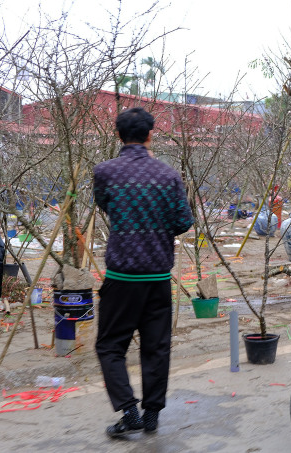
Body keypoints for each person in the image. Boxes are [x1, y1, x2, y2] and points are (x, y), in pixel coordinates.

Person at [93, 107, 193, 437]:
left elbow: (105, 205)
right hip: (157, 278)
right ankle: (151, 416)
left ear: (118, 135)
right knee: (156, 347)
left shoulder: (105, 172)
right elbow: (183, 222)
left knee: (110, 346)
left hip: (121, 277)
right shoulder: (169, 176)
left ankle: (128, 410)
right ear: (151, 135)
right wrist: (156, 227)